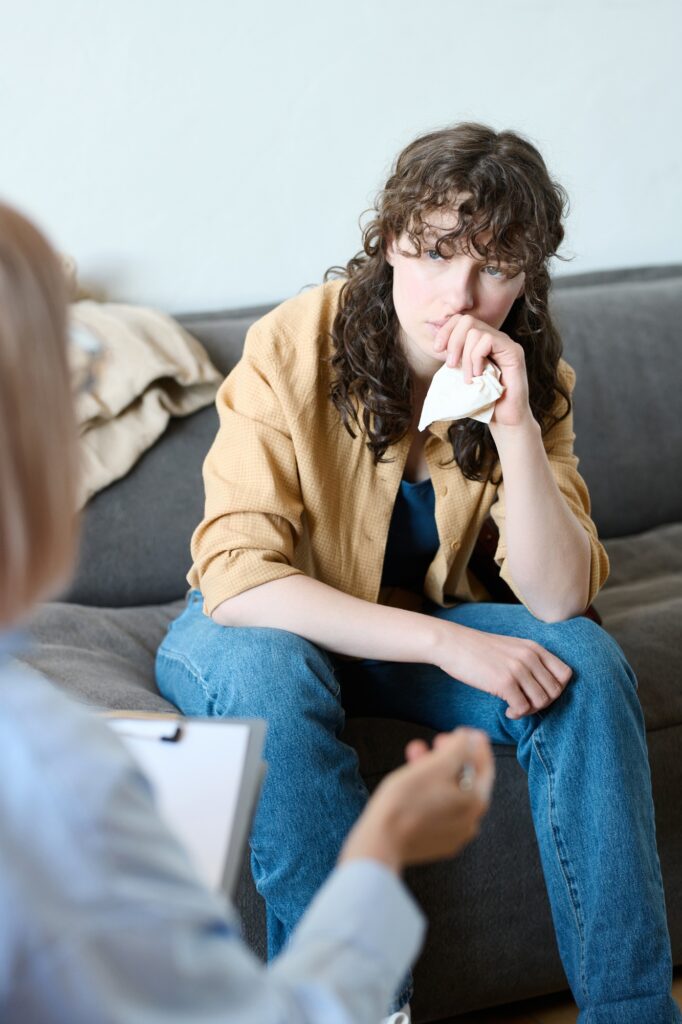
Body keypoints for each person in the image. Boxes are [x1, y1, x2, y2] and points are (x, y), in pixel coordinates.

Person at [156, 122, 681, 1024]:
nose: (462, 296)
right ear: (392, 240)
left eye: (497, 269)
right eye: (437, 254)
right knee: (270, 674)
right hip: (255, 622)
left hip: (399, 638)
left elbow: (559, 598)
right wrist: (447, 646)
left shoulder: (531, 373)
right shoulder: (290, 344)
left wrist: (515, 427)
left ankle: (633, 1012)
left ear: (528, 278)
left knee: (586, 666)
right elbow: (241, 575)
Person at [0, 200, 496, 1024]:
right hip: (259, 626)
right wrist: (383, 845)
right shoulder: (59, 772)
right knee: (267, 665)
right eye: (80, 382)